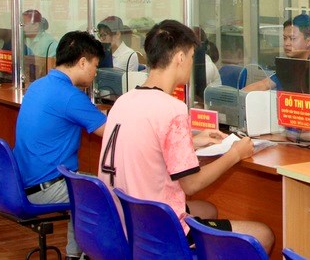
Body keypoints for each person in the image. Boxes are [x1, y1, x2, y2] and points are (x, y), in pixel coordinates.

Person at [98, 19, 274, 253]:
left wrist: (192, 140)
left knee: (208, 209)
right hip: (162, 231)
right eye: (192, 57)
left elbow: (145, 142)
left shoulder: (124, 101)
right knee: (263, 234)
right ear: (180, 57)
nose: (192, 64)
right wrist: (235, 153)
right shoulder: (172, 109)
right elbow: (193, 184)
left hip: (125, 220)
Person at [14, 31, 107, 260]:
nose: (95, 73)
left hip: (18, 183)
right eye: (95, 66)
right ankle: (78, 256)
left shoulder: (38, 85)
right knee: (100, 192)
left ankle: (76, 254)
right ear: (83, 62)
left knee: (85, 182)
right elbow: (113, 133)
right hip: (44, 189)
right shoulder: (70, 96)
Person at [242, 14, 310, 92]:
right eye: (285, 38)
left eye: (292, 38)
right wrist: (239, 95)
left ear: (308, 41)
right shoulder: (290, 64)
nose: (286, 43)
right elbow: (265, 84)